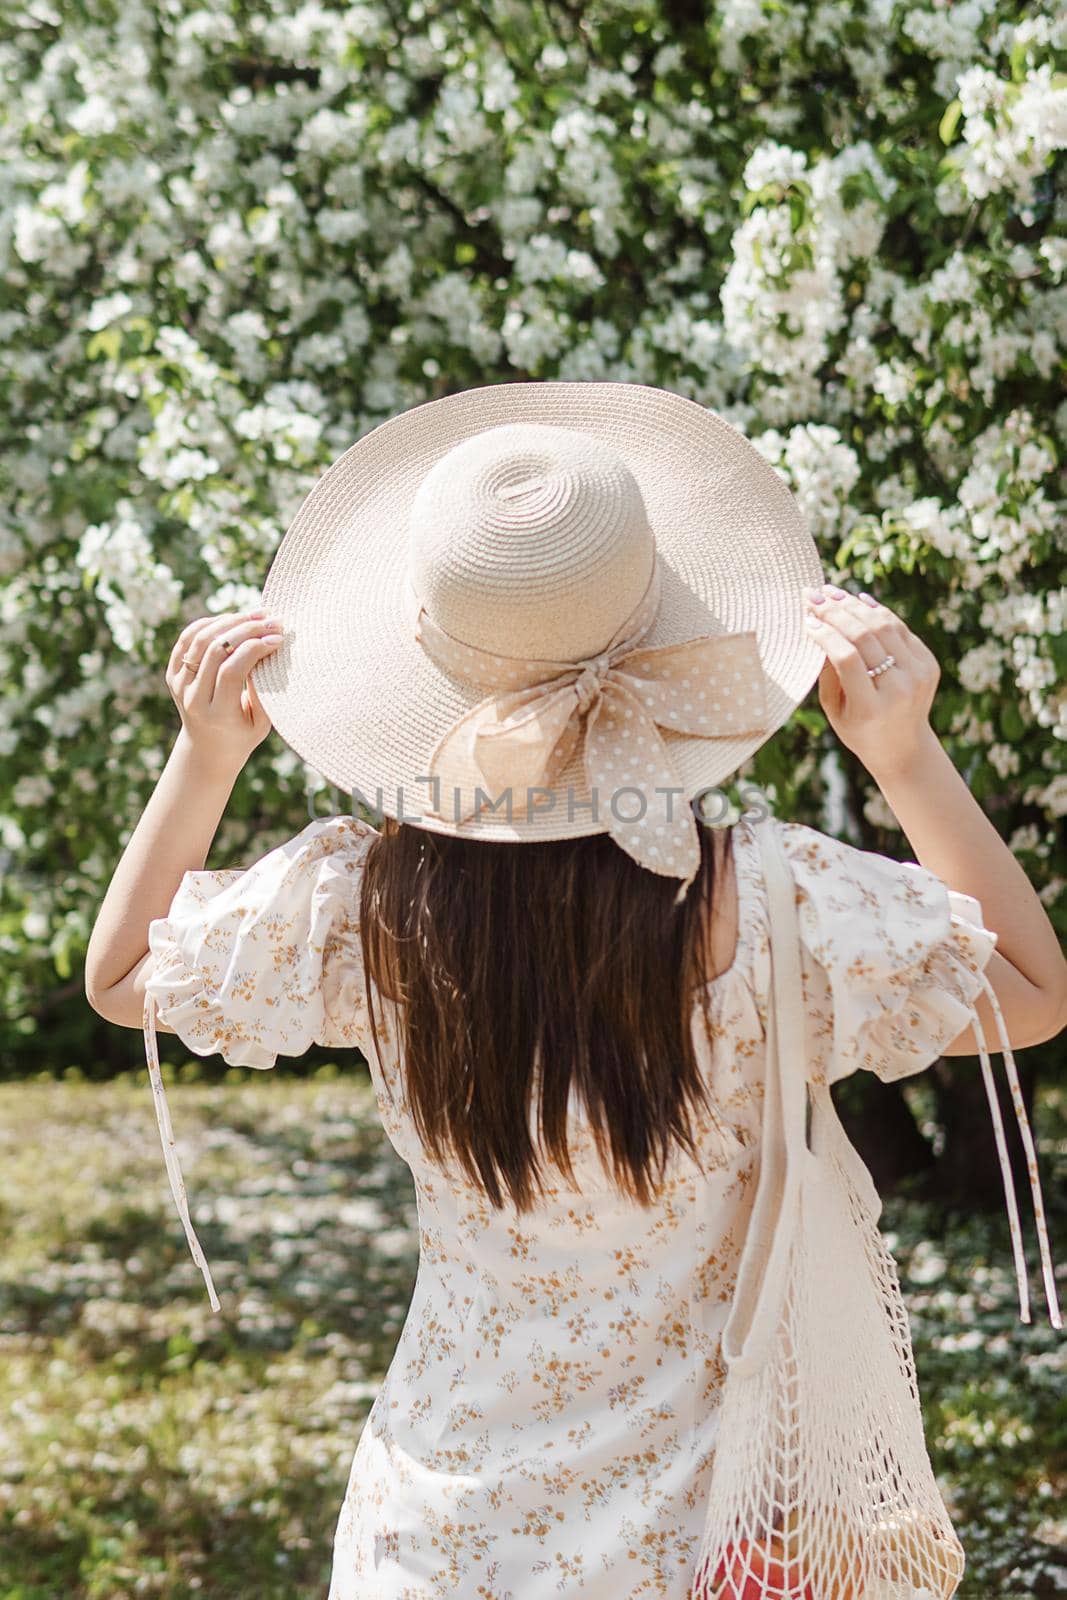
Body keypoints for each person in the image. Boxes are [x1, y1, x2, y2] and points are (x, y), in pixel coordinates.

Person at [85, 383, 1066, 1600]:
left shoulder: (367, 910)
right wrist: (903, 752)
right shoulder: (770, 903)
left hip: (445, 1532)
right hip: (719, 1535)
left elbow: (121, 975)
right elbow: (1029, 987)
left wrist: (207, 752)